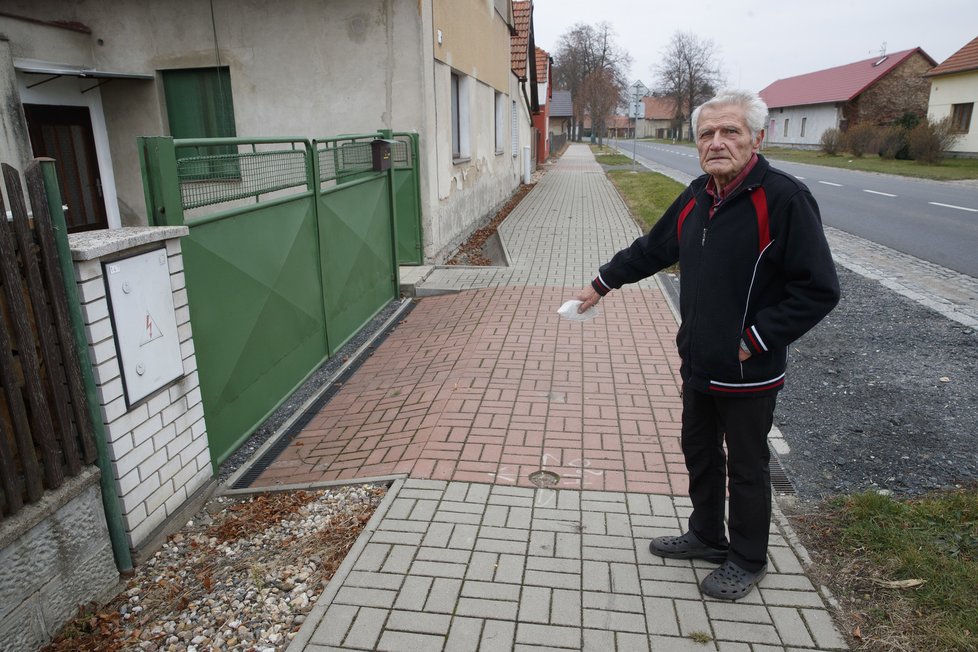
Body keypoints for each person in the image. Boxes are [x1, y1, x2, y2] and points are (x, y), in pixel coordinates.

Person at [575, 89, 840, 600]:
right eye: (706, 134)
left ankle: (746, 557)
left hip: (748, 368)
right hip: (698, 360)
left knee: (746, 465)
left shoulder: (783, 198)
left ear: (757, 138)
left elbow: (819, 288)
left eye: (730, 131)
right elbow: (652, 249)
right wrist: (602, 283)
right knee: (698, 450)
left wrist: (754, 340)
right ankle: (706, 535)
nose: (717, 142)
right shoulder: (698, 194)